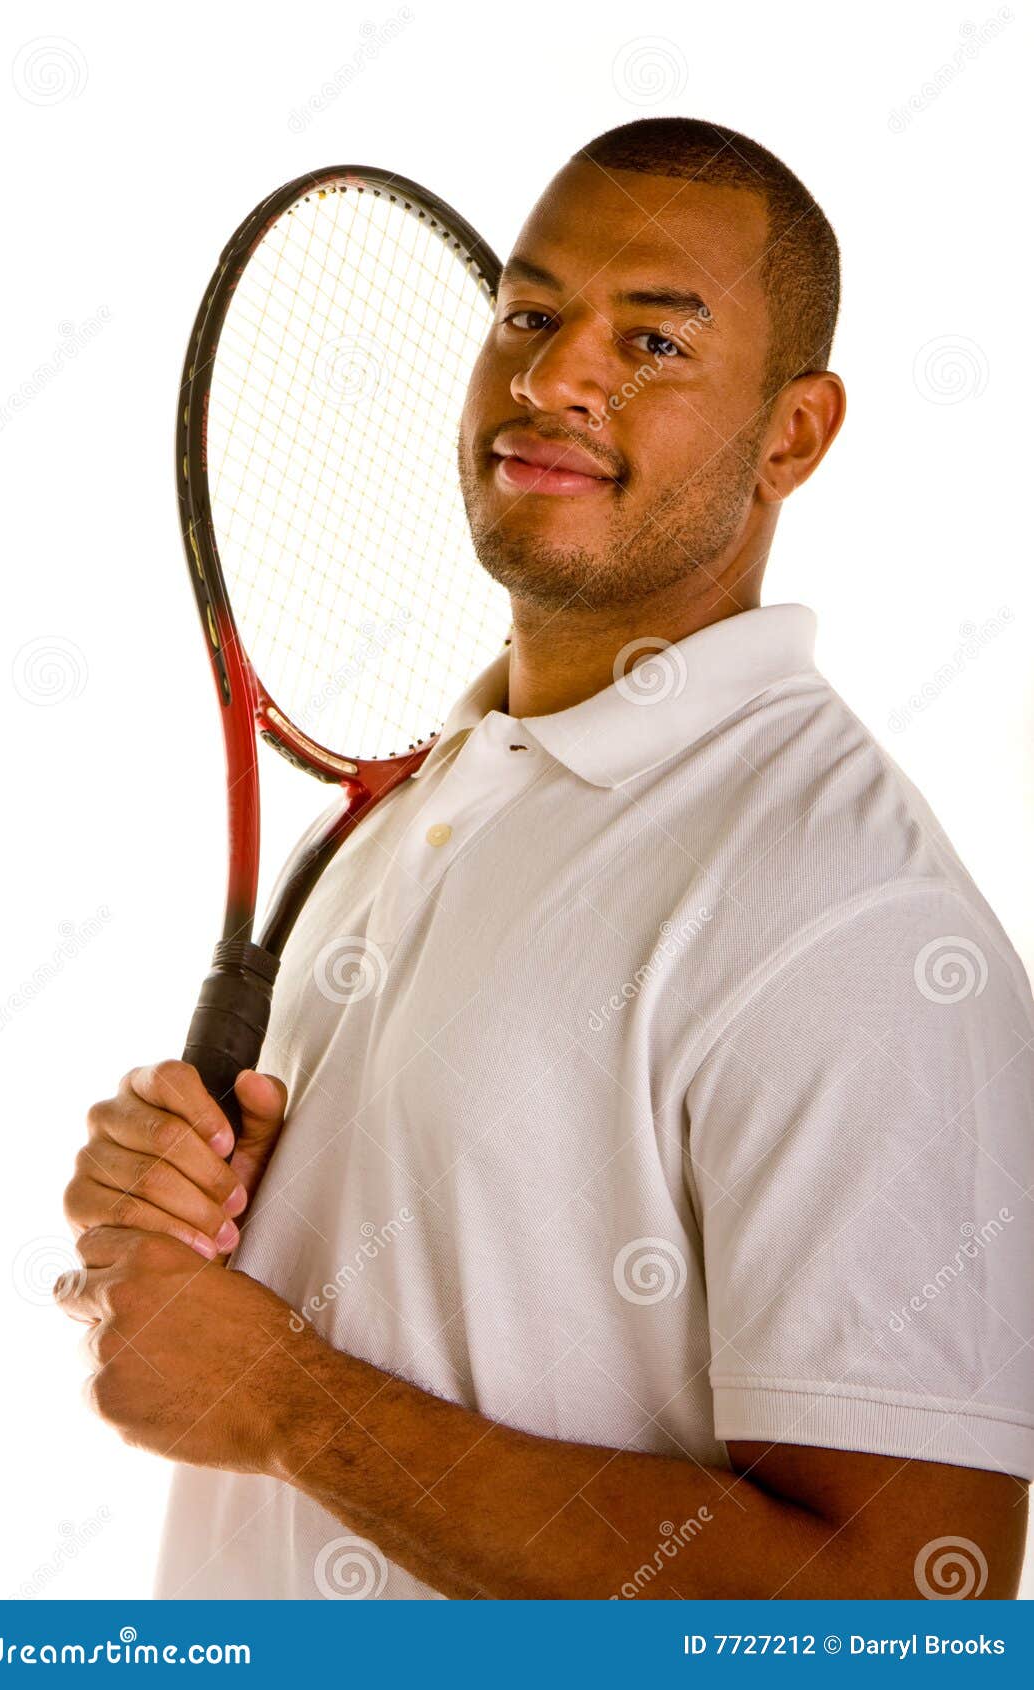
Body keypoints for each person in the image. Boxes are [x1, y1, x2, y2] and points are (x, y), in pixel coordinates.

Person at [58, 117, 1033, 1600]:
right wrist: (192, 1197)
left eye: (652, 343)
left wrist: (285, 1403)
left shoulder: (854, 915)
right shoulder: (420, 801)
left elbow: (903, 1601)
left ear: (794, 435)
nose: (553, 375)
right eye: (529, 314)